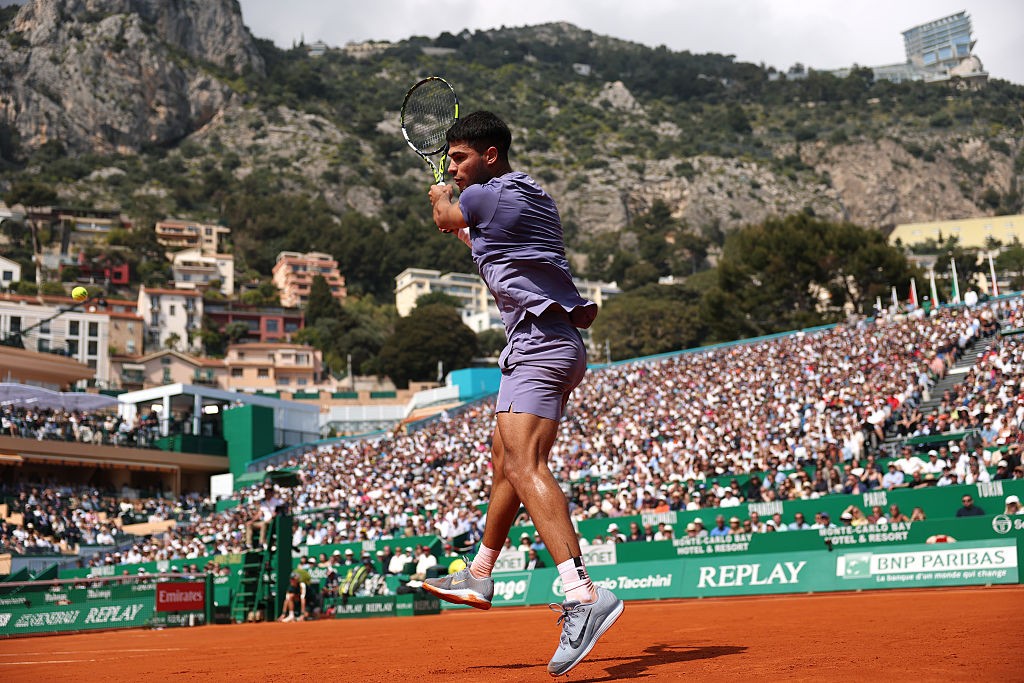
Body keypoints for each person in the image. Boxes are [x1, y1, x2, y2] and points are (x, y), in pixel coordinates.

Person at [420, 111, 622, 677]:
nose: (455, 170)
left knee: (525, 463)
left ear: (489, 155)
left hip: (539, 344)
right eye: (450, 163)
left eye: (459, 159)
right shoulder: (526, 195)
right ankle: (481, 572)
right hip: (548, 342)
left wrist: (440, 193)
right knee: (504, 461)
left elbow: (446, 217)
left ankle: (582, 594)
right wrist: (461, 218)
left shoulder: (483, 193)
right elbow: (478, 237)